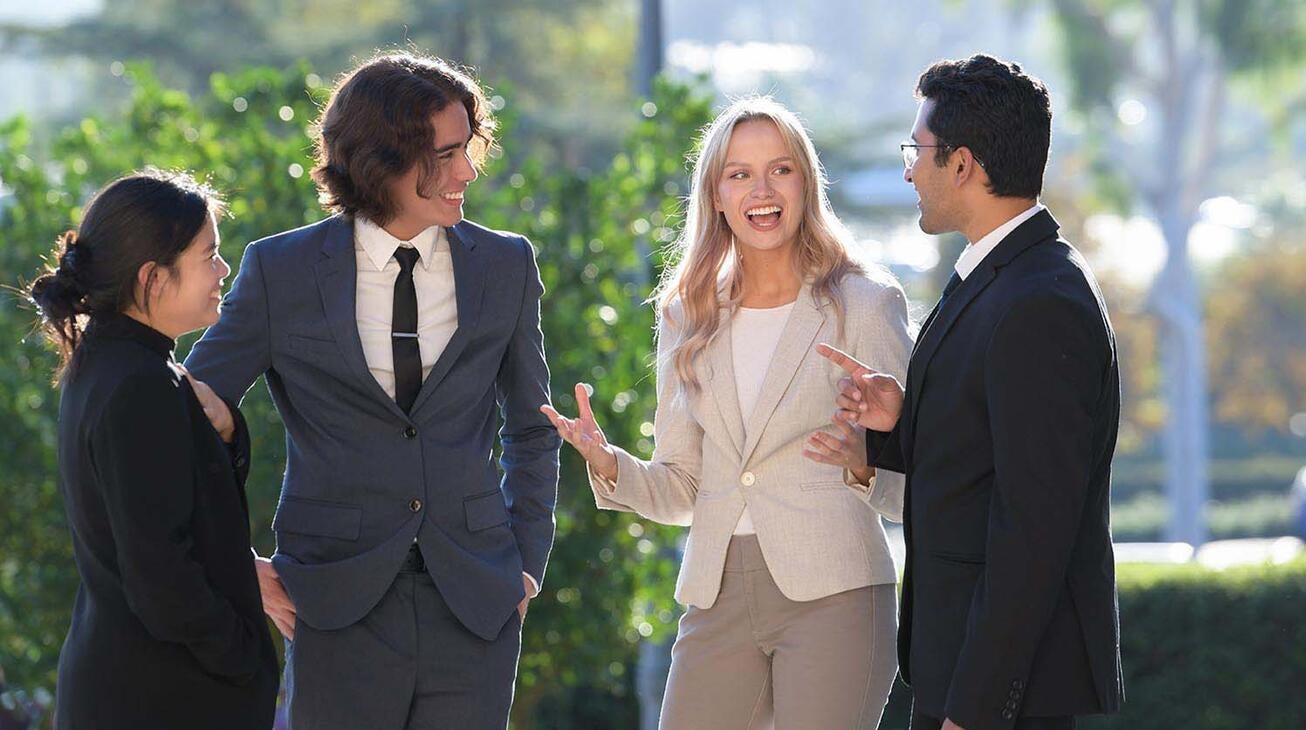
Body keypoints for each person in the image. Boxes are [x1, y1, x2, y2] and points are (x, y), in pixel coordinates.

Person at [183, 53, 558, 728]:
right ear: (383, 159)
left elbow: (532, 425)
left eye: (469, 149)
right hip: (330, 600)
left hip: (476, 601)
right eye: (446, 155)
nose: (468, 172)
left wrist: (525, 562)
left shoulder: (506, 263)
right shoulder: (282, 270)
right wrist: (234, 562)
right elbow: (186, 418)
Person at [541, 96, 910, 729]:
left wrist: (863, 463)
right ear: (715, 194)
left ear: (807, 184)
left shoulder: (866, 304)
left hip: (836, 590)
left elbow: (914, 486)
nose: (761, 189)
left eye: (780, 169)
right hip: (715, 592)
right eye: (739, 173)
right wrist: (609, 464)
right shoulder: (687, 314)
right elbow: (684, 487)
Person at [817, 55, 1123, 730]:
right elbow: (989, 452)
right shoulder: (1002, 276)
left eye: (917, 151)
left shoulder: (1041, 299)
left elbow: (1033, 529)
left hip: (1000, 696)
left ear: (962, 164)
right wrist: (902, 422)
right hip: (958, 675)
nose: (908, 171)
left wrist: (976, 709)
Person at [29, 170, 277, 729]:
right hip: (162, 699)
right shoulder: (139, 382)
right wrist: (241, 657)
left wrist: (230, 431)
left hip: (129, 686)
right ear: (152, 277)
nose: (223, 270)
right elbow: (161, 574)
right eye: (209, 255)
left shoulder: (111, 363)